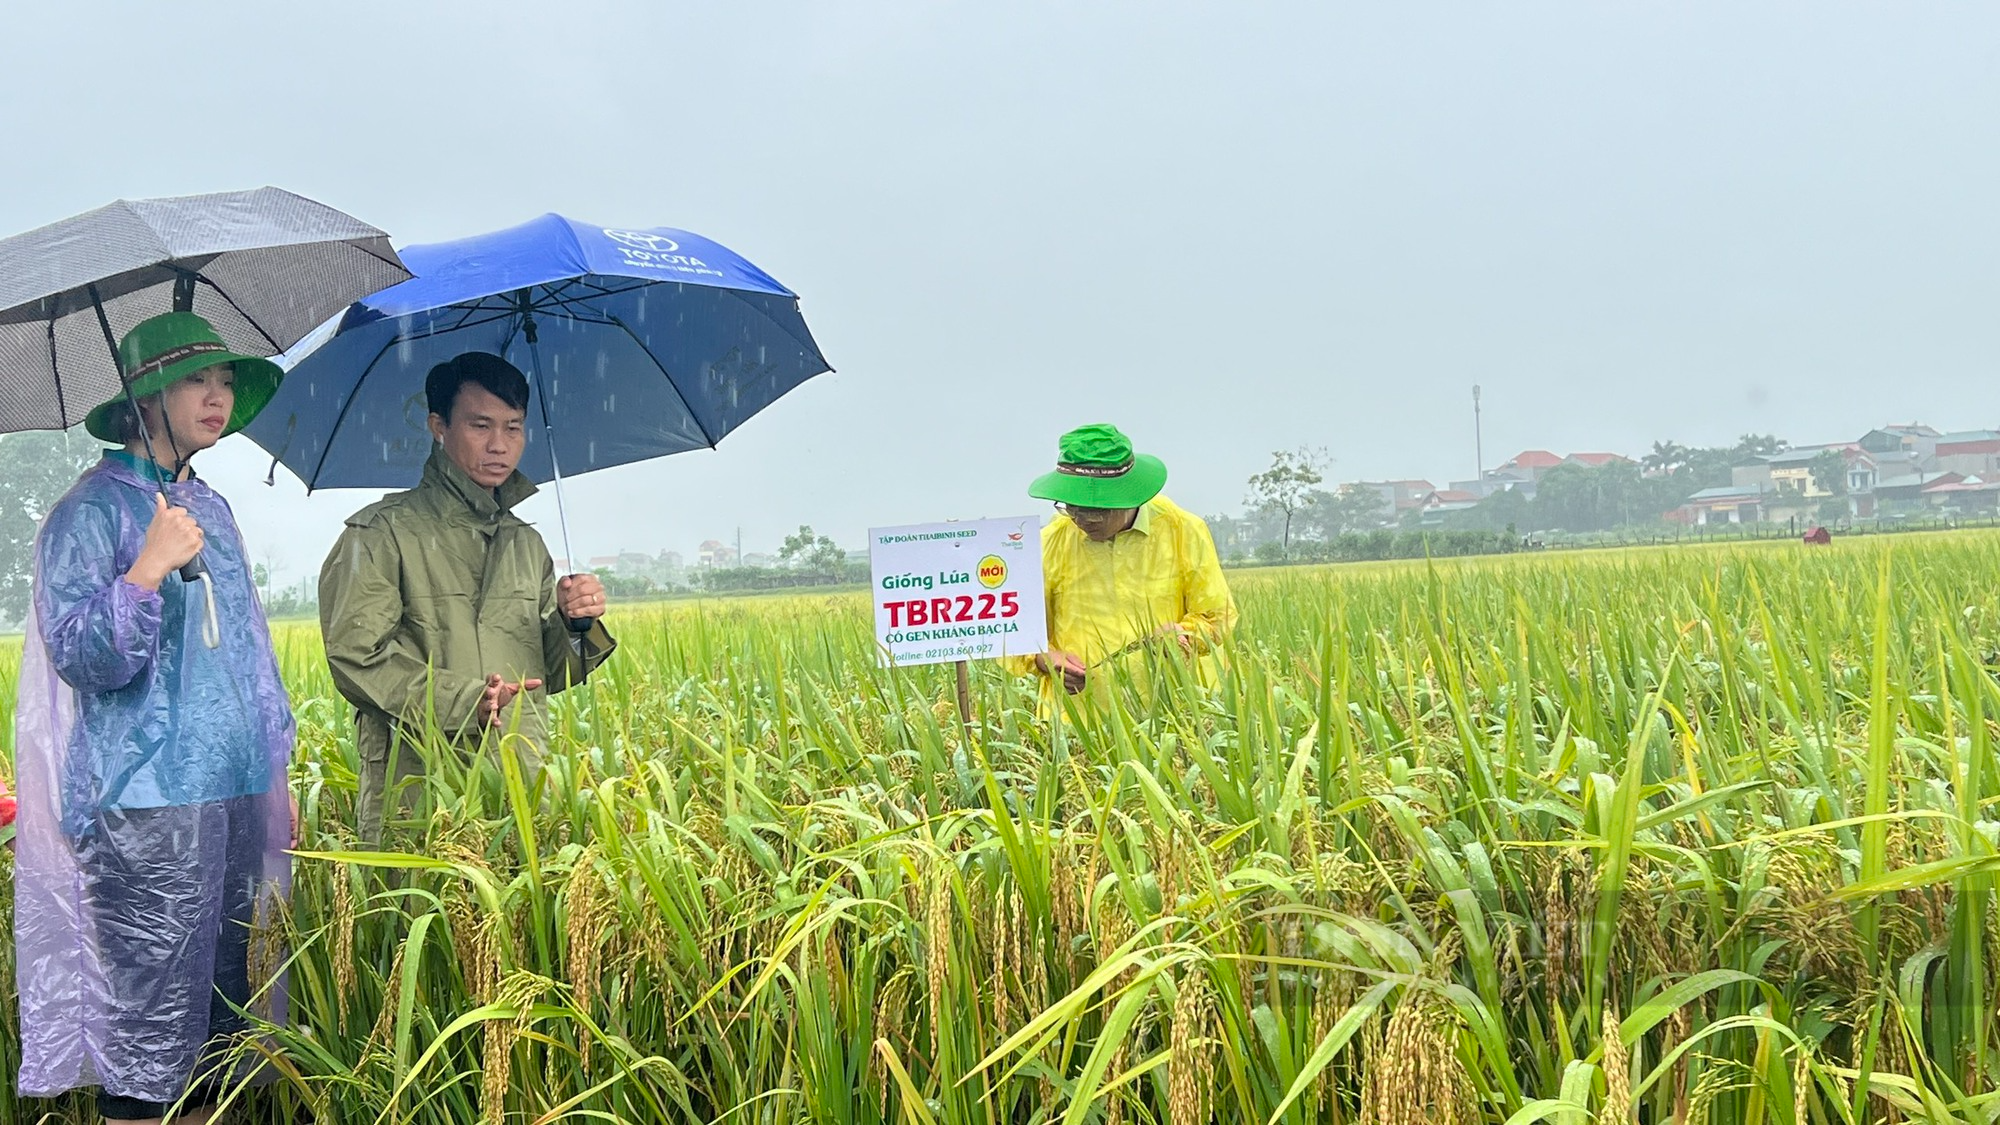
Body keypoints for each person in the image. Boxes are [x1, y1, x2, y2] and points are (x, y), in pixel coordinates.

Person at [12, 312, 297, 1122]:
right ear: (144, 394)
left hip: (237, 790)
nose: (218, 396)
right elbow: (82, 657)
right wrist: (145, 570)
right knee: (149, 1023)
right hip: (145, 806)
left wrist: (272, 772)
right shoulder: (89, 512)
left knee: (224, 1016)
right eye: (196, 380)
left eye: (226, 379)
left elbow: (249, 654)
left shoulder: (210, 506)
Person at [318, 351, 615, 844]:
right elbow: (355, 657)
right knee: (423, 915)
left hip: (521, 777)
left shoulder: (527, 544)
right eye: (481, 426)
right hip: (418, 786)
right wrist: (467, 703)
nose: (499, 445)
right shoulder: (380, 534)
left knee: (523, 915)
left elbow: (552, 674)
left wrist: (575, 624)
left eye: (514, 428)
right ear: (439, 426)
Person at [1005, 423, 1237, 706]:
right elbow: (1013, 629)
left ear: (1131, 496)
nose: (1082, 518)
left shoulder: (1182, 530)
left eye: (1097, 509)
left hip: (1175, 708)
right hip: (1080, 714)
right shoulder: (1048, 543)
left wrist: (1185, 635)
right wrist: (1042, 659)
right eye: (1071, 506)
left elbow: (1218, 617)